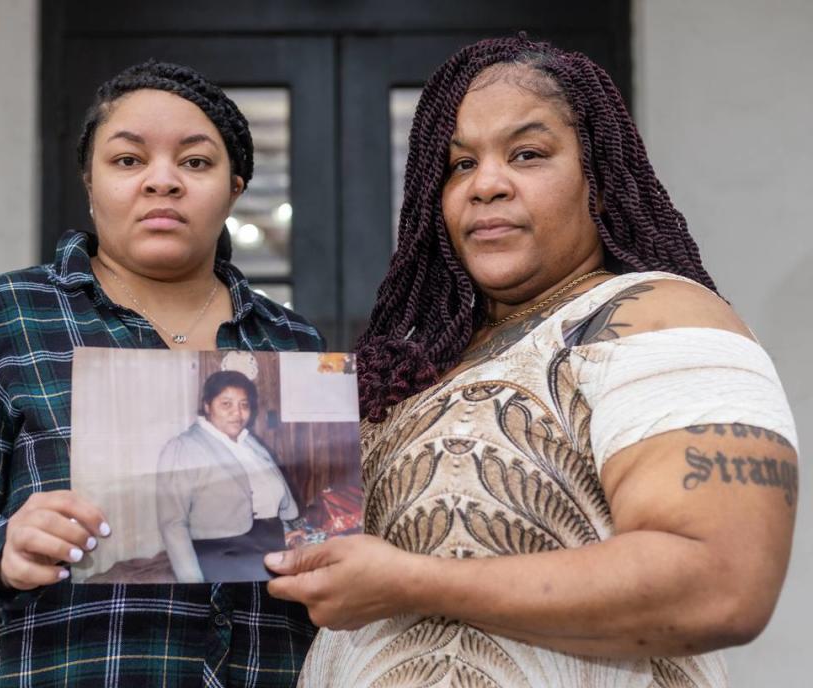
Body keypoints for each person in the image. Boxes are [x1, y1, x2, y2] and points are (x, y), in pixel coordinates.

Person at [265, 35, 798, 687]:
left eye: (527, 154)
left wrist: (413, 582)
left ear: (598, 183)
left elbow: (724, 585)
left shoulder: (656, 314)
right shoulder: (411, 371)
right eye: (459, 165)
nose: (486, 184)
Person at [0, 60, 324, 687]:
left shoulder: (293, 343)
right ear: (90, 183)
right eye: (128, 160)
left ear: (235, 188)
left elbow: (320, 532)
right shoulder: (2, 318)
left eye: (195, 162)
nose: (162, 181)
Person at [158, 370, 299, 583]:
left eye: (244, 405)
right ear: (207, 406)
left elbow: (272, 498)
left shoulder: (250, 444)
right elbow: (173, 524)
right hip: (224, 554)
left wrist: (286, 533)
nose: (238, 413)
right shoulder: (183, 448)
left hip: (270, 544)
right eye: (226, 404)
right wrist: (192, 583)